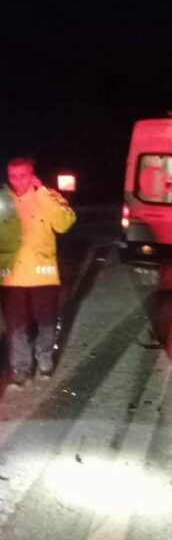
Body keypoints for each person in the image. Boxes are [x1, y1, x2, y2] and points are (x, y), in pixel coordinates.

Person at [0, 157, 76, 386]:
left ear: (32, 174)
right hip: (11, 276)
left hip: (43, 274)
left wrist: (42, 192)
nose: (18, 181)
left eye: (23, 175)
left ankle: (44, 356)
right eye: (13, 176)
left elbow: (65, 222)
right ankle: (21, 368)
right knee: (15, 326)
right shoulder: (4, 201)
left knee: (46, 322)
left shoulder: (48, 196)